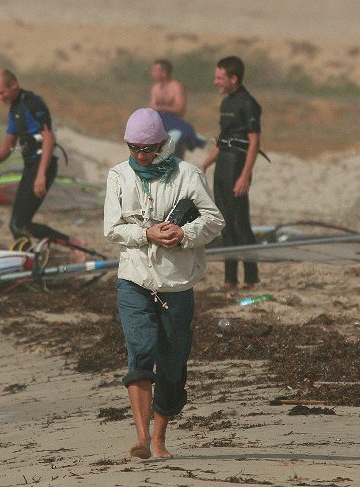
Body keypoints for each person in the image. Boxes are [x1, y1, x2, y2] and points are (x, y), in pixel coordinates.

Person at [104, 108, 224, 459]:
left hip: (177, 284)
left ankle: (159, 438)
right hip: (134, 279)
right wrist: (147, 233)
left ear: (162, 144)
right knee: (140, 353)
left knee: (172, 367)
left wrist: (184, 233)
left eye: (148, 148)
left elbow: (215, 220)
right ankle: (141, 439)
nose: (141, 155)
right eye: (134, 147)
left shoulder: (188, 175)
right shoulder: (118, 175)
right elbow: (111, 228)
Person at [0, 68, 86, 257]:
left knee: (18, 224)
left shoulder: (32, 103)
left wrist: (41, 174)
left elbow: (49, 138)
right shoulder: (15, 108)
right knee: (19, 224)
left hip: (43, 166)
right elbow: (9, 143)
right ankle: (71, 245)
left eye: (2, 92)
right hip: (32, 167)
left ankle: (64, 248)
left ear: (13, 85)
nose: (0, 97)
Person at [199, 56, 262, 290]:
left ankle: (252, 277)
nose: (215, 82)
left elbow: (254, 143)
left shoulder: (248, 104)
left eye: (219, 78)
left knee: (240, 223)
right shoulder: (226, 104)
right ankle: (230, 279)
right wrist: (205, 164)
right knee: (224, 222)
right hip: (222, 165)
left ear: (233, 79)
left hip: (238, 165)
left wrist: (245, 176)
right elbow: (222, 140)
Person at [149, 59, 205, 159]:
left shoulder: (176, 87)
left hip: (174, 123)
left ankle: (193, 138)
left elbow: (180, 110)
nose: (152, 74)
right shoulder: (155, 88)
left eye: (155, 71)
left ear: (164, 72)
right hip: (160, 122)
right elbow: (153, 108)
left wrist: (161, 107)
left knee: (175, 152)